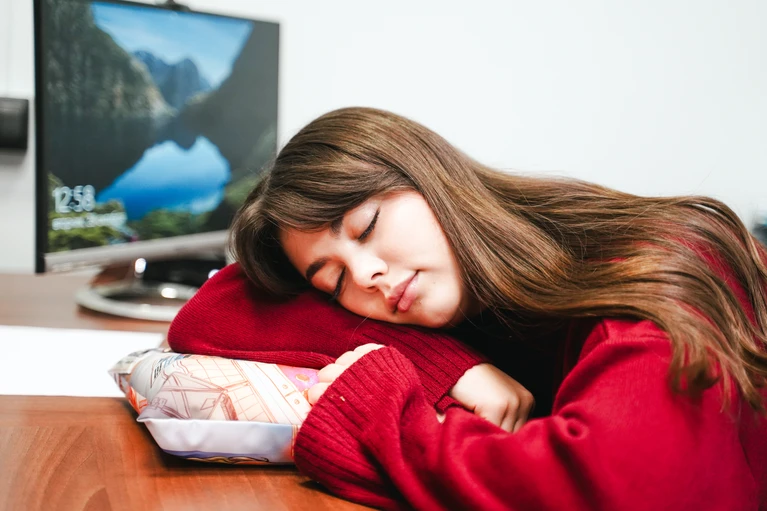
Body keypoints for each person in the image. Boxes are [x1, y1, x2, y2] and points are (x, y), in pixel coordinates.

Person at [224, 106, 767, 510]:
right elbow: (218, 307)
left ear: (432, 179)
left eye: (366, 227)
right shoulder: (475, 307)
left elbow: (621, 489)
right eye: (334, 281)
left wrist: (375, 416)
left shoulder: (651, 275)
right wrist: (449, 363)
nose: (364, 276)